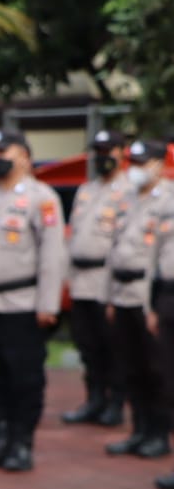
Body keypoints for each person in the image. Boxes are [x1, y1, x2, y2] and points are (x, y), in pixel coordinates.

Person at [0, 130, 67, 472]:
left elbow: (52, 255)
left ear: (21, 154)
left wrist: (48, 304)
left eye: (0, 150)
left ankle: (22, 443)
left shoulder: (41, 197)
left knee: (23, 377)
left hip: (22, 304)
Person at [103, 138, 173, 460]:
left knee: (156, 369)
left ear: (160, 164)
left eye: (143, 163)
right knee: (129, 367)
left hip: (148, 298)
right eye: (133, 162)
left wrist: (151, 306)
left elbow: (159, 260)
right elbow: (114, 251)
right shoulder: (127, 199)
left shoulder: (169, 200)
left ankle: (158, 433)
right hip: (122, 293)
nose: (136, 170)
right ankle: (139, 429)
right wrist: (110, 298)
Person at [63, 129, 130, 427]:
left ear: (122, 152)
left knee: (113, 346)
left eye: (109, 150)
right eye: (99, 151)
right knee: (87, 345)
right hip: (81, 280)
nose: (103, 157)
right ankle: (94, 399)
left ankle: (116, 403)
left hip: (107, 278)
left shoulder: (128, 191)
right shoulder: (87, 190)